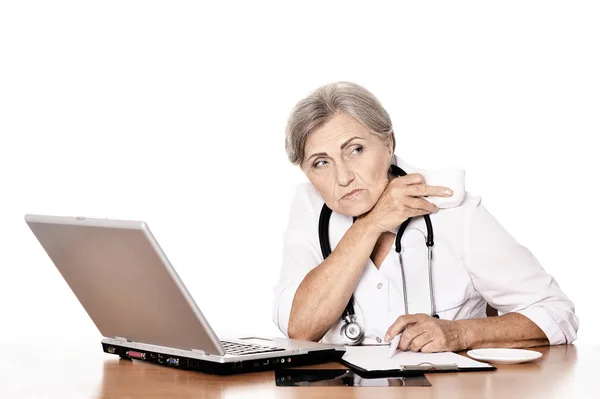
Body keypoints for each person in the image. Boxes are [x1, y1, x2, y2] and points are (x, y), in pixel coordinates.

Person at [272, 81, 578, 352]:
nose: (342, 177)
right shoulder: (310, 210)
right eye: (321, 163)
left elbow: (555, 312)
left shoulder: (452, 208)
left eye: (355, 150)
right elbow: (301, 327)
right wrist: (370, 225)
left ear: (388, 143)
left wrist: (460, 333)